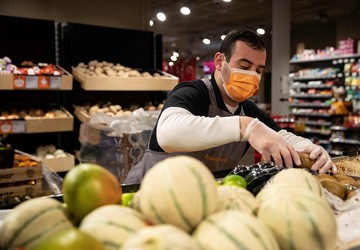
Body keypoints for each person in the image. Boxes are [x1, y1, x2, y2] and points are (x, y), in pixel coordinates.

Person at [125, 27, 337, 184]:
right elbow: (168, 133)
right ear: (219, 62)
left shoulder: (249, 110)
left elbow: (283, 138)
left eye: (258, 70)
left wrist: (311, 149)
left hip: (196, 200)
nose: (252, 75)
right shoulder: (193, 92)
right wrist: (246, 127)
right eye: (244, 66)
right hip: (146, 192)